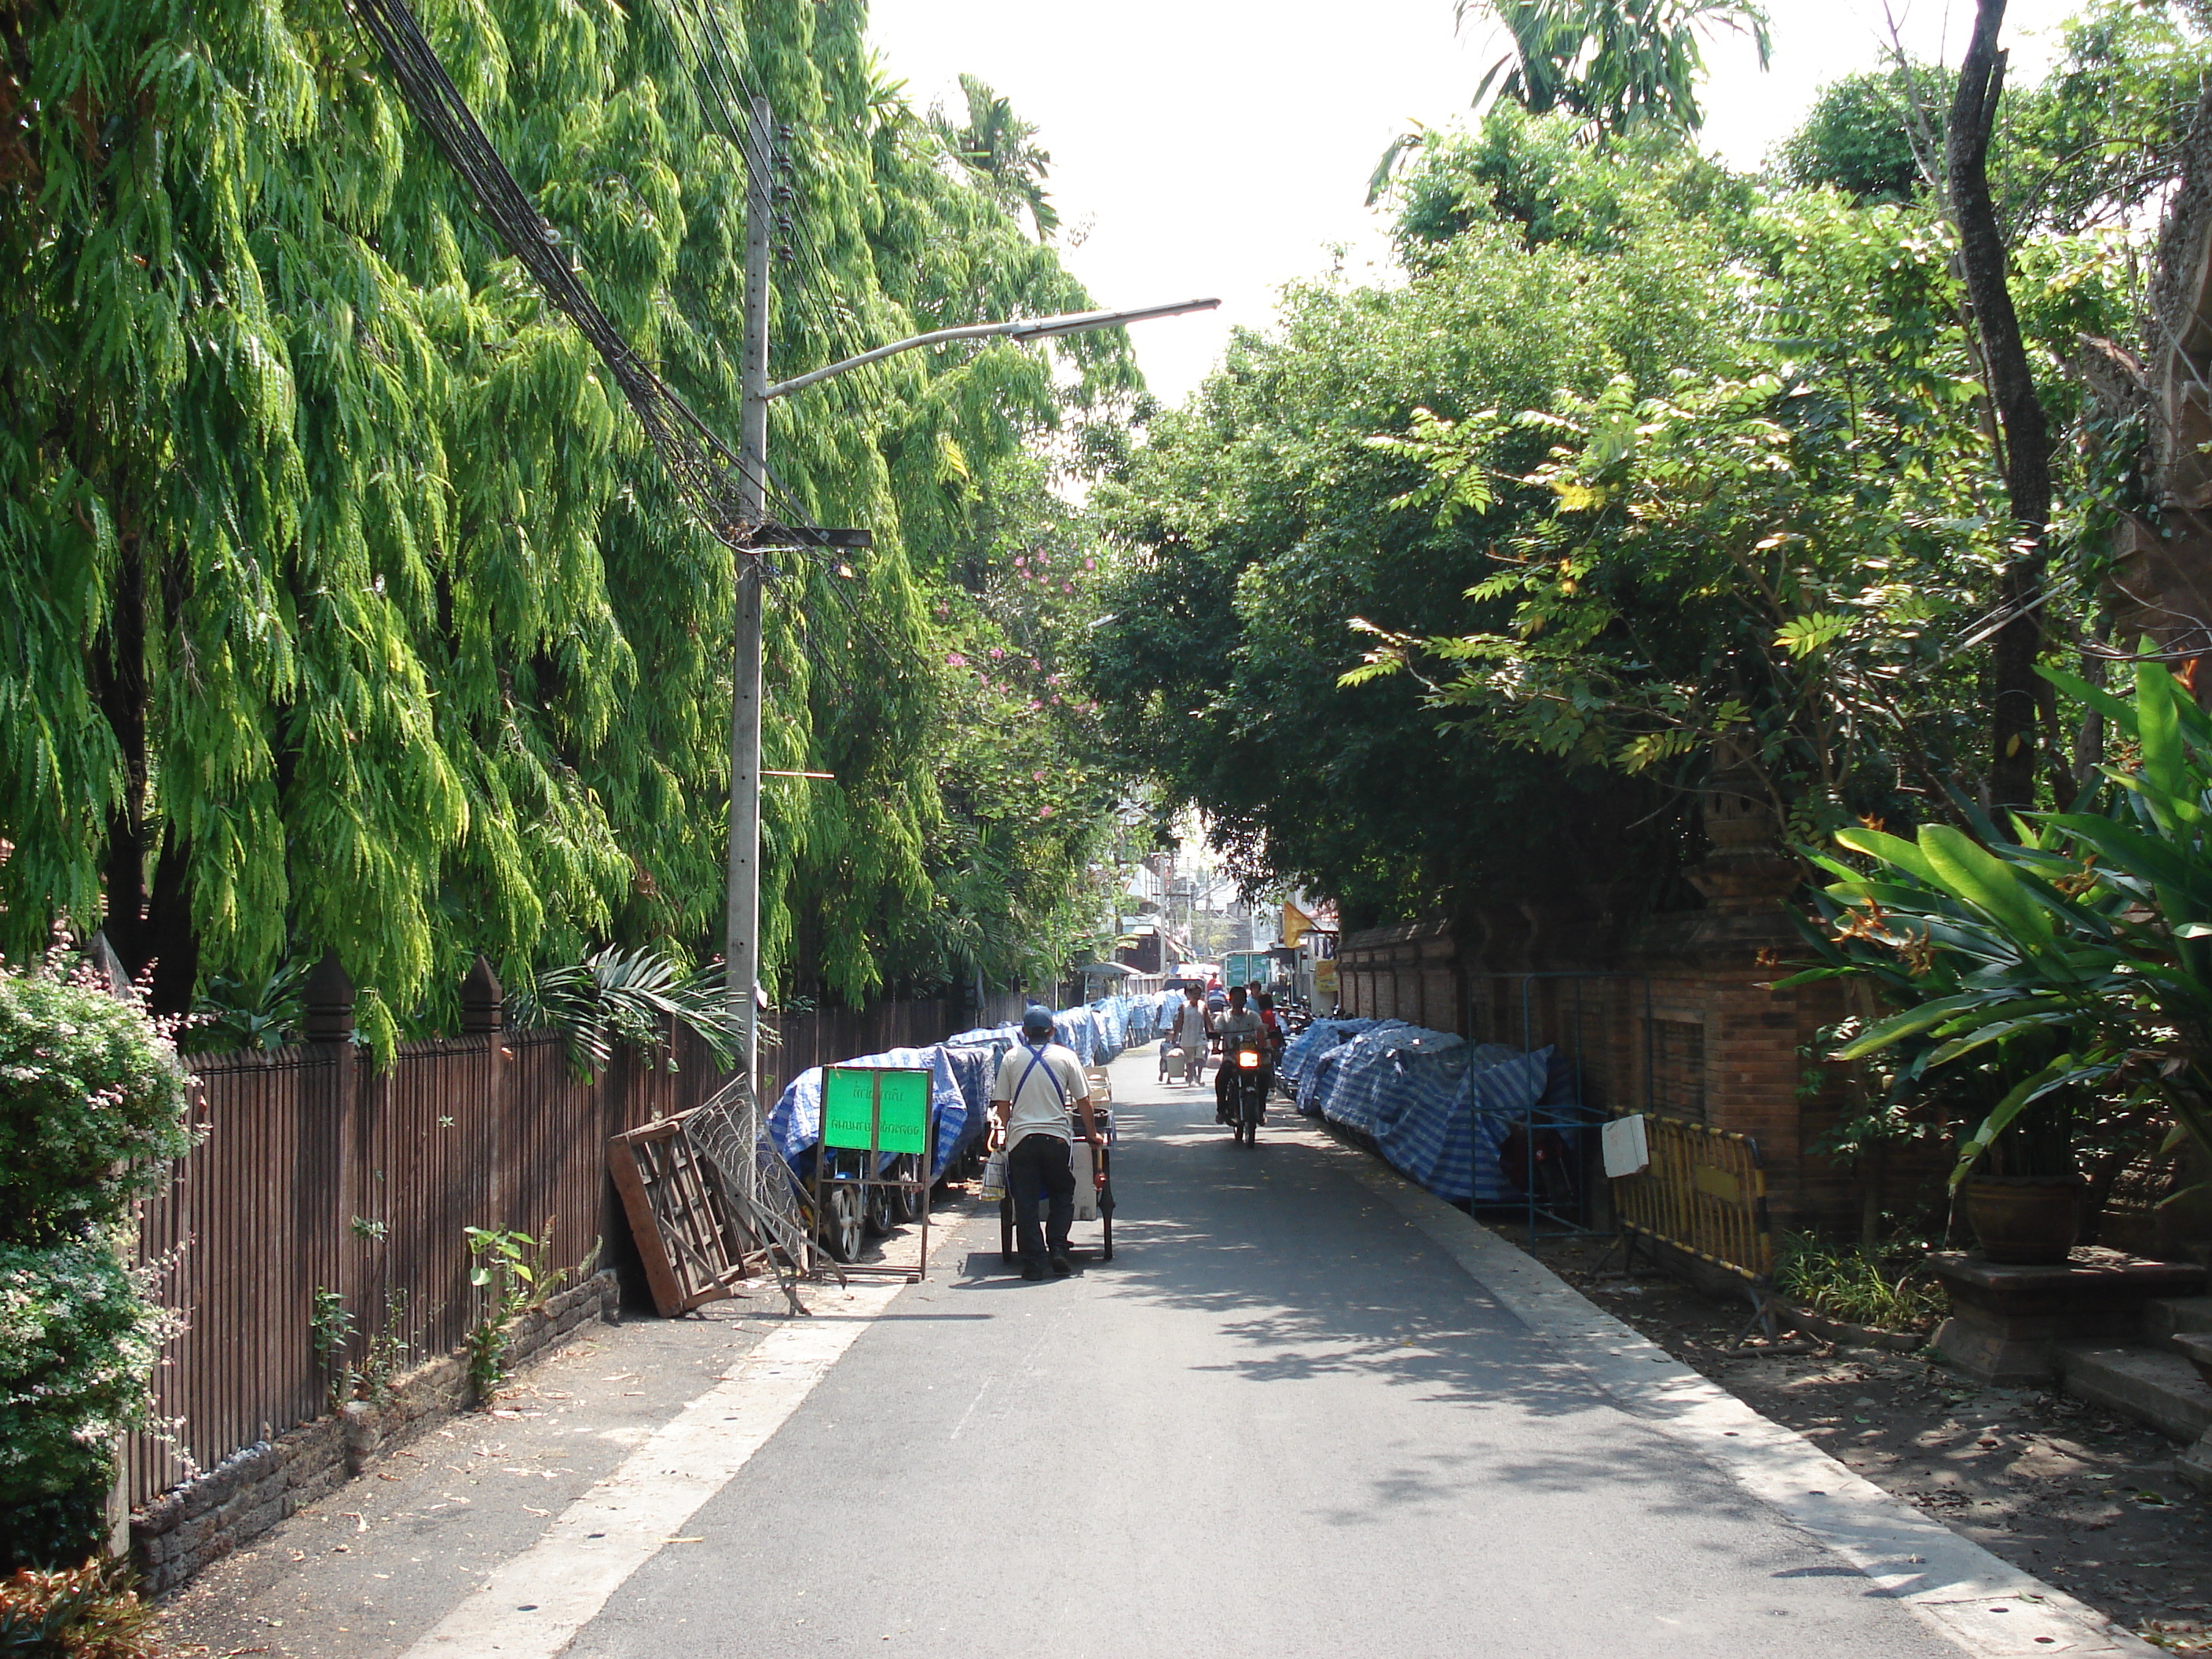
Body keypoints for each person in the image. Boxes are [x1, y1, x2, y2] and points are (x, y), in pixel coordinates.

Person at [991, 1005, 1104, 1279]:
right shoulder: (1066, 1057)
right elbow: (1084, 1101)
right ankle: (1057, 1248)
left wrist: (1003, 1131)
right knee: (1063, 1194)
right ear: (1053, 1031)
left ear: (1023, 1033)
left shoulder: (1010, 1058)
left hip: (1022, 1140)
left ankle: (1033, 1262)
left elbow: (1002, 1105)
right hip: (1056, 1139)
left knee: (1026, 1200)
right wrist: (1091, 1133)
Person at [1212, 984, 1265, 1124]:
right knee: (1221, 1079)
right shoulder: (1223, 1018)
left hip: (1251, 1057)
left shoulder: (1252, 1016)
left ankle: (1261, 1111)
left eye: (1241, 999)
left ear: (1245, 1000)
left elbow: (1261, 1030)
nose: (1238, 1002)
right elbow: (1217, 1031)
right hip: (1231, 1057)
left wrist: (1264, 1044)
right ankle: (1221, 1111)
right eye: (1235, 999)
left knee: (1263, 1076)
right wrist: (1216, 1046)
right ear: (1230, 1000)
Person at [1168, 983, 1210, 1086]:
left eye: (1198, 994)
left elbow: (1207, 1020)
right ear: (1189, 995)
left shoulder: (1203, 1005)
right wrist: (1175, 1035)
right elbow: (1179, 1022)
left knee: (1200, 1057)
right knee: (1190, 1060)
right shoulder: (1184, 1006)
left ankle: (1198, 1077)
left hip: (1200, 1036)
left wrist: (1213, 1032)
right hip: (1187, 1037)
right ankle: (1191, 1077)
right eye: (1194, 994)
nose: (1196, 996)